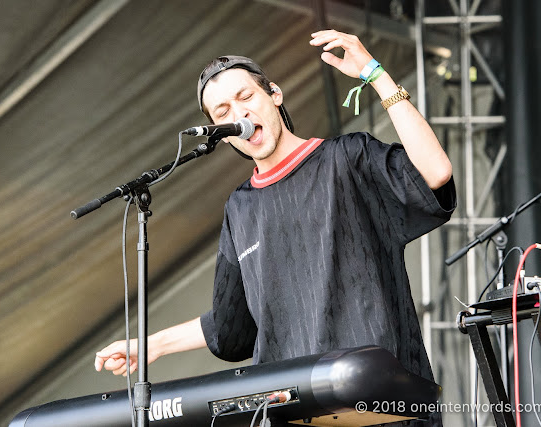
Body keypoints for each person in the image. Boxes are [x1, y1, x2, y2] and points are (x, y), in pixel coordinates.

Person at [95, 30, 455, 426]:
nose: (239, 115)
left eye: (246, 97)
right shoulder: (240, 208)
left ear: (275, 96)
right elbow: (230, 326)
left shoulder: (347, 159)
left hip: (383, 406)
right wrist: (153, 345)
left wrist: (375, 75)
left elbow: (434, 174)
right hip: (292, 413)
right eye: (222, 111)